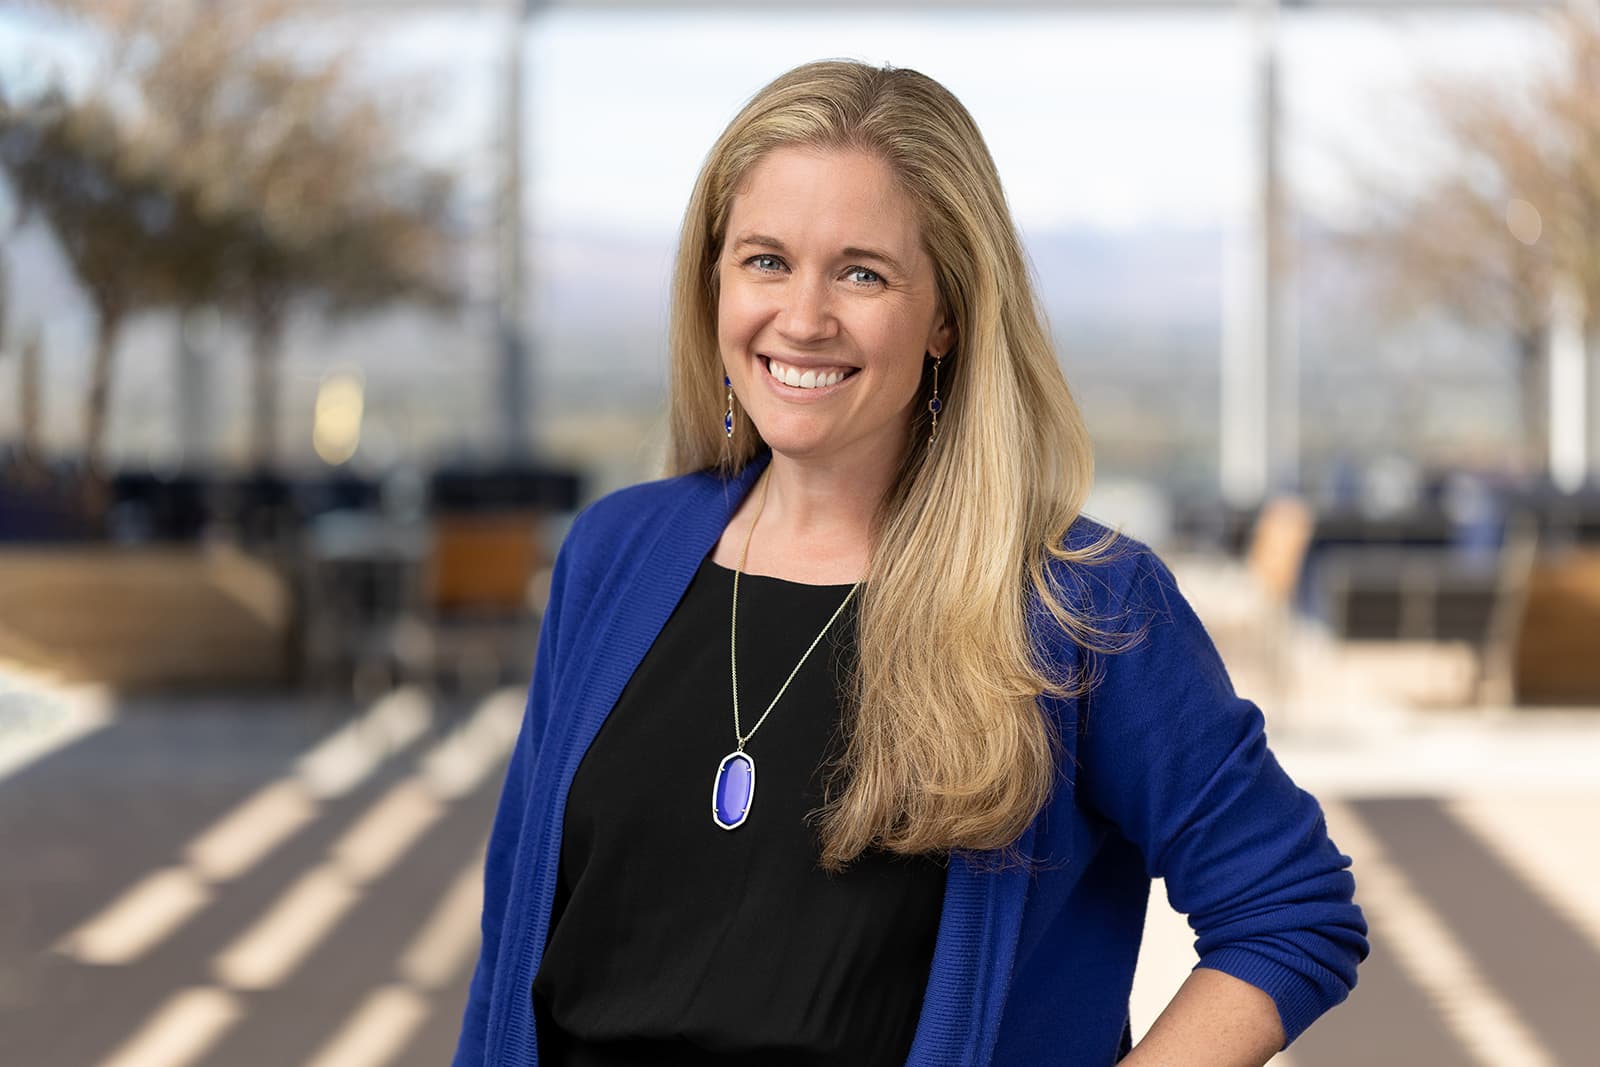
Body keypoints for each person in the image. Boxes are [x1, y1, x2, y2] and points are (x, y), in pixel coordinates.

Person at [454, 60, 1366, 1067]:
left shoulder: (1077, 603)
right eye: (764, 260)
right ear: (712, 278)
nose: (802, 318)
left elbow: (1292, 907)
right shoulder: (613, 552)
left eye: (861, 272)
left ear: (946, 315)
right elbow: (513, 947)